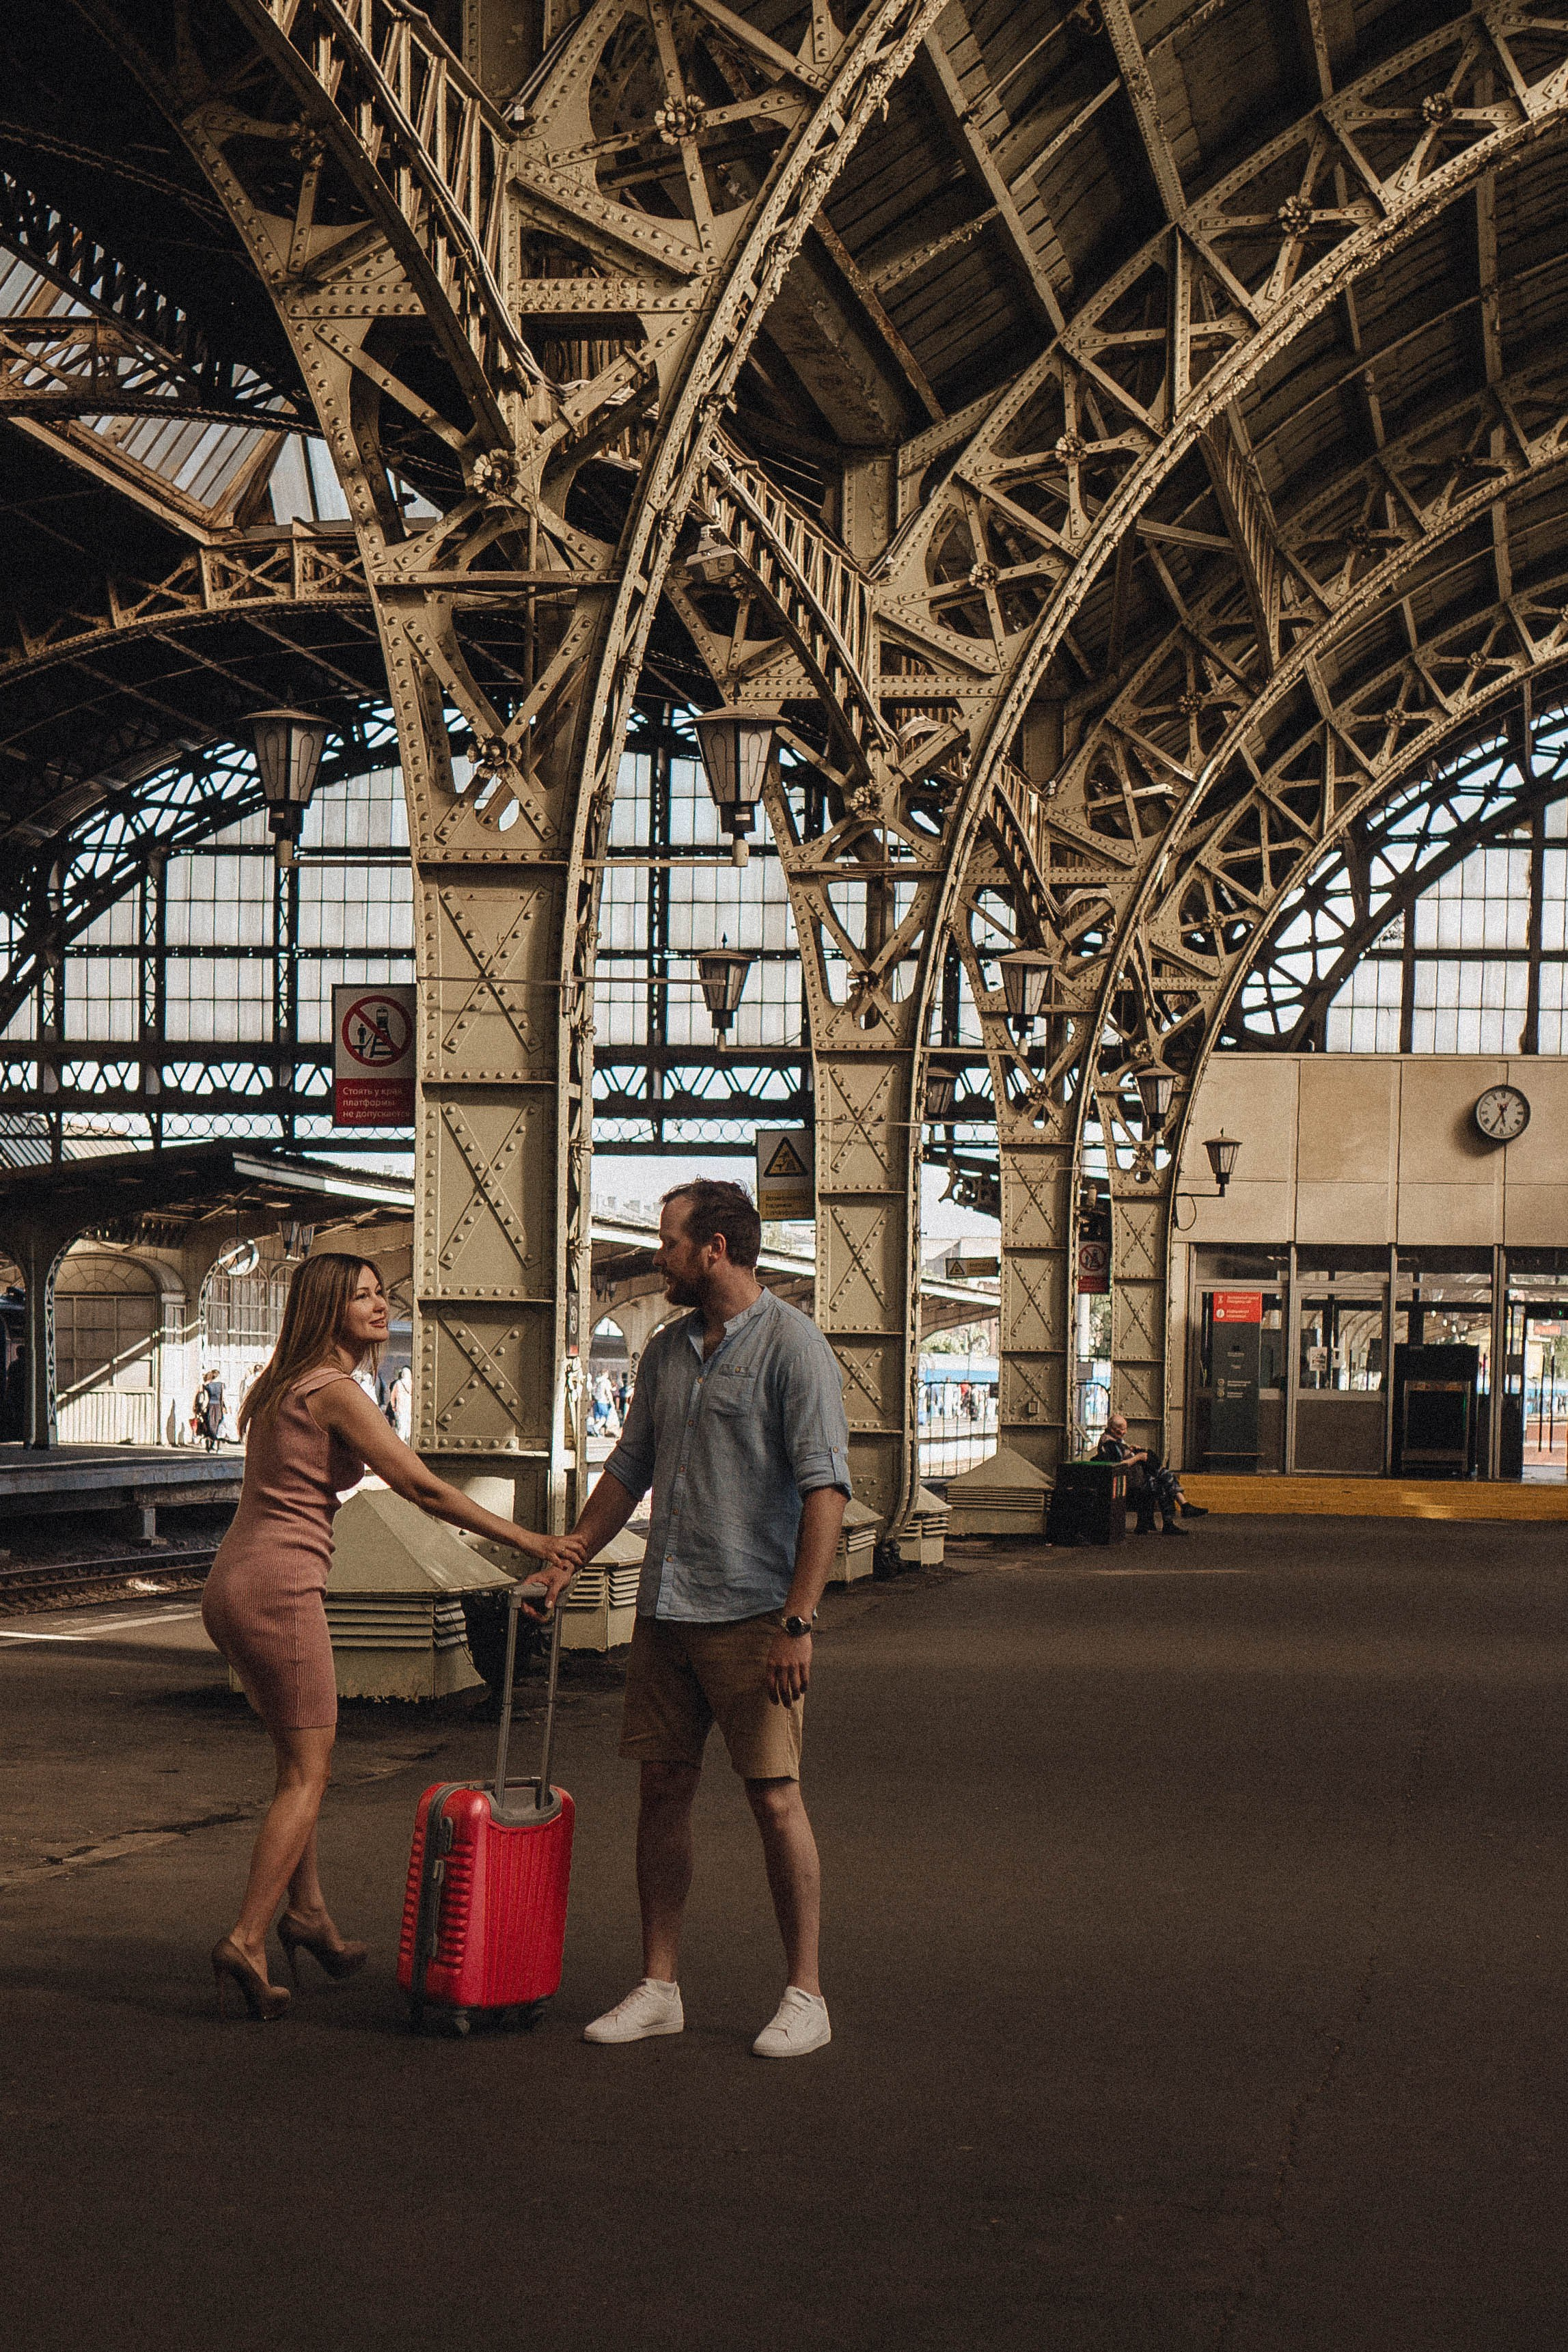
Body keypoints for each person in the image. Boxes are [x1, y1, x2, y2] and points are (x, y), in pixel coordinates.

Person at [200, 1253, 585, 2021]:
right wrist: (531, 1539)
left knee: (294, 1766)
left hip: (234, 1582)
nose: (380, 1306)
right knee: (310, 1773)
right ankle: (246, 1936)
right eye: (362, 1297)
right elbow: (421, 1484)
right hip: (280, 1588)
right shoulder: (336, 1389)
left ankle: (307, 1917)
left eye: (382, 1293)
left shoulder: (283, 1382)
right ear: (326, 1308)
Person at [527, 1179, 849, 2060]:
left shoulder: (795, 1348)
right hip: (668, 1608)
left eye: (669, 1242)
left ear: (715, 1247)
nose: (657, 1256)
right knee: (661, 1792)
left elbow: (825, 1491)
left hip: (755, 1615)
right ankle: (659, 1985)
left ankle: (806, 1994)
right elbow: (630, 1469)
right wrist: (568, 1560)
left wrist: (798, 1620)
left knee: (775, 1799)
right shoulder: (667, 1352)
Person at [1095, 1413, 1200, 1537]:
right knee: (1160, 1481)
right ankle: (1179, 1511)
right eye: (1121, 1429)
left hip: (1130, 1479)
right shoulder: (1109, 1443)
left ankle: (1178, 1511)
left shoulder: (1114, 1440)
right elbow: (1118, 1465)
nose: (1125, 1432)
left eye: (1125, 1429)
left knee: (1158, 1478)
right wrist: (1137, 1458)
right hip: (1124, 1482)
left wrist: (1132, 1450)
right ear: (1112, 1428)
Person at [200, 1369, 225, 1452]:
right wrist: (226, 1408)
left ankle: (210, 1445)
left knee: (210, 1425)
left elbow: (206, 1399)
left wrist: (203, 1408)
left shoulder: (208, 1386)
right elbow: (223, 1398)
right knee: (219, 1426)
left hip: (210, 1406)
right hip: (218, 1407)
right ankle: (219, 1447)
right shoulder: (222, 1385)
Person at [387, 1363, 412, 1442]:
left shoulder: (398, 1383)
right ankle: (408, 1440)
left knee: (401, 1426)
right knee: (409, 1425)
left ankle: (401, 1442)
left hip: (400, 1408)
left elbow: (392, 1397)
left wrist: (394, 1407)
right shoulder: (412, 1383)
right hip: (409, 1408)